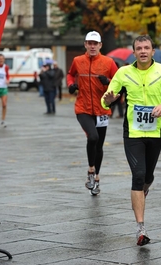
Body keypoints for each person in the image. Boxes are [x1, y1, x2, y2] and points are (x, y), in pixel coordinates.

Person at [101, 35, 161, 246]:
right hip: (133, 133)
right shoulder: (123, 73)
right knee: (138, 176)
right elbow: (105, 100)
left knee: (148, 175)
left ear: (153, 51)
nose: (143, 51)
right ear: (134, 52)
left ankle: (145, 185)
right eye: (138, 48)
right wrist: (108, 100)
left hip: (155, 132)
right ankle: (141, 228)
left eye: (146, 47)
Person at [67, 31, 118, 195]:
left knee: (99, 145)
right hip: (83, 107)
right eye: (89, 43)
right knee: (93, 137)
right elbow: (70, 74)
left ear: (100, 45)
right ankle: (90, 169)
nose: (92, 46)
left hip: (102, 108)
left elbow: (119, 83)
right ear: (85, 45)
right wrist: (70, 84)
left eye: (95, 43)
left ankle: (96, 178)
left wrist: (109, 82)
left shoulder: (108, 62)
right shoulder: (77, 61)